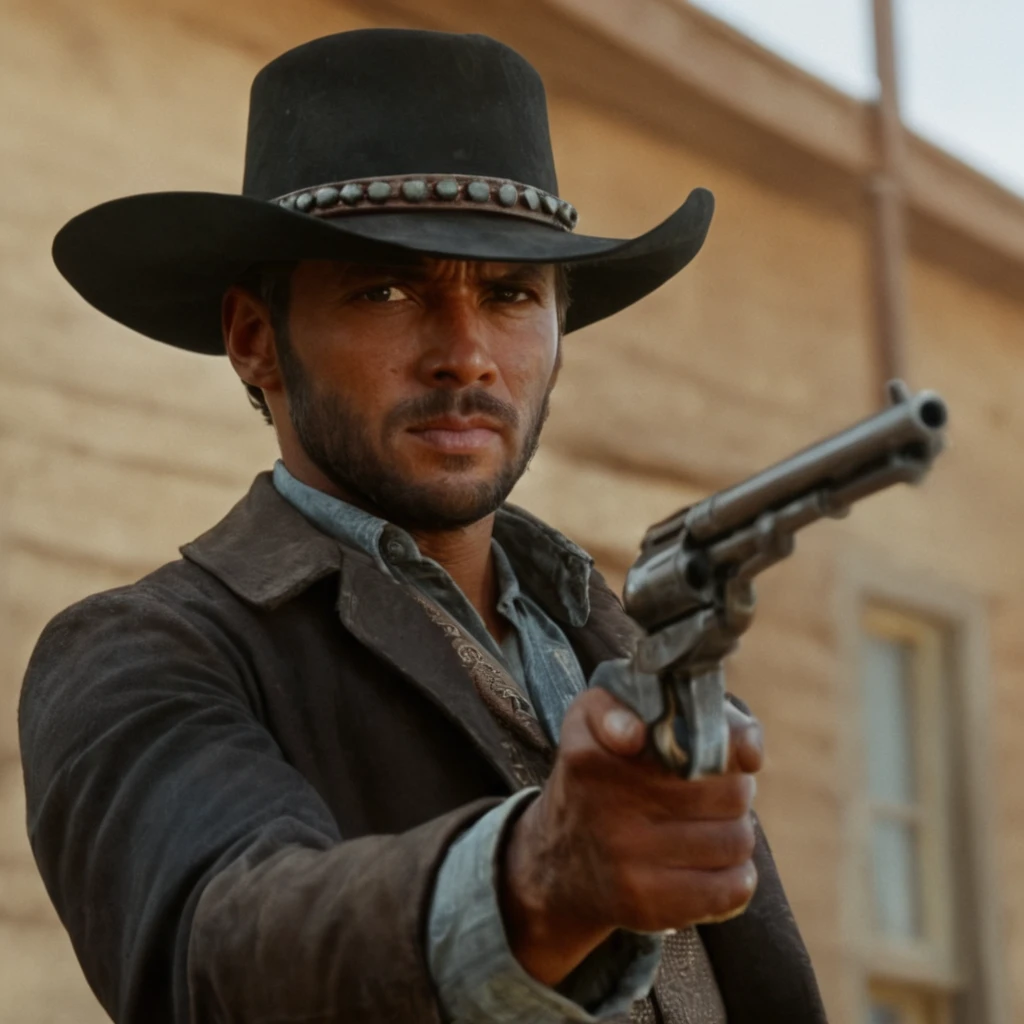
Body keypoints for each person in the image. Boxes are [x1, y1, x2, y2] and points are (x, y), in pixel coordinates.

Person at [20, 28, 828, 1024]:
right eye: (387, 289)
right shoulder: (140, 653)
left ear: (558, 334)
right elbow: (220, 951)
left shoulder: (609, 636)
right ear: (253, 338)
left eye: (509, 294)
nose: (465, 355)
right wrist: (535, 877)